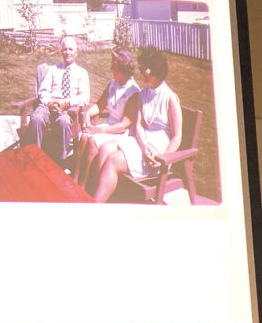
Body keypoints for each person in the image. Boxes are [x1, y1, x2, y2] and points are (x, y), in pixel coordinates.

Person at [91, 47, 182, 203]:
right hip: (142, 142)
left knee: (113, 160)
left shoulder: (170, 98)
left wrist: (163, 158)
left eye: (144, 68)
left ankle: (96, 204)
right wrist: (143, 145)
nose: (141, 71)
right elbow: (138, 126)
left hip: (157, 151)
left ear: (156, 69)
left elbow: (176, 136)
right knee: (105, 147)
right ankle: (100, 194)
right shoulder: (144, 94)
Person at [74, 49, 140, 187]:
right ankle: (76, 178)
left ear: (123, 69)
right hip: (109, 127)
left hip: (122, 134)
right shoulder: (113, 84)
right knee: (84, 136)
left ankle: (86, 185)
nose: (111, 68)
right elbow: (99, 105)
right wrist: (87, 114)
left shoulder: (133, 92)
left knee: (92, 140)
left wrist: (99, 130)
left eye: (114, 66)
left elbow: (123, 125)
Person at [30, 35, 90, 165]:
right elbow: (43, 90)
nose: (67, 52)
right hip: (48, 104)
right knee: (36, 118)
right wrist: (50, 103)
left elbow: (85, 98)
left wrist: (67, 103)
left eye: (70, 49)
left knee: (63, 122)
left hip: (67, 107)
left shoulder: (82, 73)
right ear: (61, 51)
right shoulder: (53, 70)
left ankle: (62, 160)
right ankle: (35, 157)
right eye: (64, 49)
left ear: (76, 52)